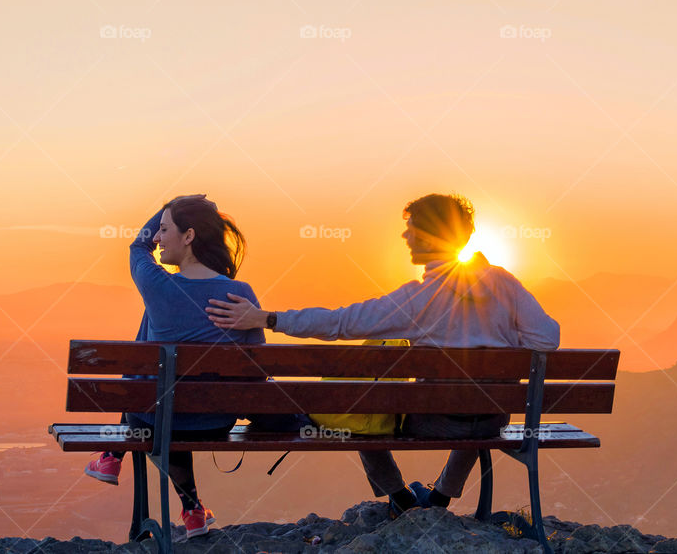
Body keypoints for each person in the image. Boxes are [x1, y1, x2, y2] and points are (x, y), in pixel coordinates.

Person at [205, 193, 560, 517]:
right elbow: (547, 338)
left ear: (429, 236)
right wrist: (498, 339)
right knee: (473, 403)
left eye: (411, 230)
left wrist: (268, 319)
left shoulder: (418, 299)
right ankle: (439, 499)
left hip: (433, 422)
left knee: (364, 410)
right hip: (493, 419)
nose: (405, 237)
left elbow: (341, 323)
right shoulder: (505, 283)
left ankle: (401, 497)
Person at [84, 194, 264, 539]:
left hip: (154, 419)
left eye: (165, 230)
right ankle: (193, 511)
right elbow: (256, 370)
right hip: (216, 420)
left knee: (159, 398)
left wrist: (175, 201)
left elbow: (138, 245)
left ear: (189, 236)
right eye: (159, 230)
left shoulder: (158, 285)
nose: (158, 238)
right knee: (163, 379)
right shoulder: (241, 292)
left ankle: (111, 456)